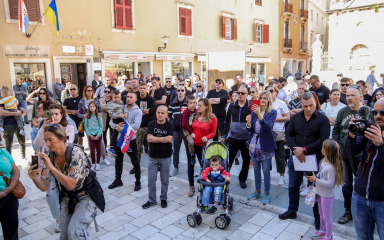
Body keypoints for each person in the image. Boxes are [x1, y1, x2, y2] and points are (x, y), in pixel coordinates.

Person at [28, 124, 98, 239]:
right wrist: (35, 177)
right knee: (64, 236)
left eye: (51, 140)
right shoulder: (49, 156)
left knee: (74, 232)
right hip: (68, 196)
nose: (47, 144)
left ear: (62, 138)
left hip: (86, 195)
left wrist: (51, 167)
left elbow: (71, 184)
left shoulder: (75, 153)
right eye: (45, 140)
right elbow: (45, 186)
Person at [279, 92, 330, 231]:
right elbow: (288, 134)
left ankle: (318, 218)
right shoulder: (295, 118)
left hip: (314, 159)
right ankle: (292, 210)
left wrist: (305, 150)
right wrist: (296, 150)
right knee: (293, 186)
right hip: (296, 157)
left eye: (311, 105)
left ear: (316, 102)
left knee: (314, 189)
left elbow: (323, 140)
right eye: (304, 106)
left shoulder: (323, 119)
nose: (308, 108)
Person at [347, 98, 384, 239]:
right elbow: (349, 154)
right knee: (362, 237)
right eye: (375, 112)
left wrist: (381, 145)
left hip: (382, 200)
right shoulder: (371, 129)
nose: (378, 116)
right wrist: (351, 136)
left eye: (383, 113)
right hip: (360, 195)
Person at [332, 86, 364, 225]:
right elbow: (337, 129)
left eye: (353, 95)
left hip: (361, 156)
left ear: (360, 97)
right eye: (348, 95)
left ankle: (362, 212)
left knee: (361, 186)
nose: (349, 97)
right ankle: (348, 211)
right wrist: (338, 145)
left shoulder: (366, 112)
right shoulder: (343, 111)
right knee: (346, 185)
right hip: (344, 155)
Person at [307, 140, 345, 240]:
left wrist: (316, 179)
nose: (321, 149)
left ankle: (329, 235)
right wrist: (315, 177)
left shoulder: (331, 167)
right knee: (321, 214)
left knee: (327, 216)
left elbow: (330, 184)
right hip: (319, 192)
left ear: (327, 151)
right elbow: (321, 175)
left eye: (323, 147)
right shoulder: (324, 161)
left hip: (327, 195)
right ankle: (322, 230)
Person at [247, 90, 277, 205]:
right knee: (255, 169)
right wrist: (248, 124)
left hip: (265, 145)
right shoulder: (254, 112)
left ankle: (267, 194)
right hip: (254, 144)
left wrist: (259, 114)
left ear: (268, 100)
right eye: (261, 98)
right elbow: (251, 130)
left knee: (266, 171)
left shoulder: (272, 112)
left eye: (265, 98)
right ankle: (257, 191)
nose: (263, 100)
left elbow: (267, 127)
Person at [108, 92, 142, 191]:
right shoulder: (121, 107)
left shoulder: (137, 111)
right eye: (127, 97)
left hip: (130, 140)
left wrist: (122, 129)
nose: (128, 99)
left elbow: (136, 125)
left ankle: (138, 182)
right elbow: (111, 121)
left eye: (131, 97)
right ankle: (118, 180)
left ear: (135, 99)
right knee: (118, 161)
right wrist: (116, 127)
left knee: (135, 161)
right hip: (119, 140)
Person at [142, 105, 174, 209]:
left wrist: (155, 138)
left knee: (165, 180)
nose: (160, 115)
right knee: (151, 180)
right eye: (158, 113)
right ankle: (152, 200)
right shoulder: (151, 124)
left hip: (165, 157)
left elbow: (170, 139)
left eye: (162, 113)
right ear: (155, 113)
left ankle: (163, 198)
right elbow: (149, 139)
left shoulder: (169, 125)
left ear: (166, 114)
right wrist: (163, 139)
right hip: (153, 157)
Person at [222, 85, 252, 188]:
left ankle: (242, 179)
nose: (240, 95)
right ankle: (225, 177)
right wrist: (224, 135)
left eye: (242, 93)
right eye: (238, 93)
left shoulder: (250, 106)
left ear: (247, 95)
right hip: (233, 137)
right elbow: (227, 121)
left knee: (246, 160)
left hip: (246, 139)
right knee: (228, 159)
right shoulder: (231, 106)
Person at [190, 98, 218, 196]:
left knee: (204, 166)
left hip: (202, 145)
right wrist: (192, 133)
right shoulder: (195, 115)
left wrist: (207, 137)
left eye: (200, 105)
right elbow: (190, 127)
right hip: (191, 144)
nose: (198, 107)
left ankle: (206, 186)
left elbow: (214, 132)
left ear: (206, 107)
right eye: (198, 105)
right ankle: (191, 187)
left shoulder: (212, 117)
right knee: (190, 166)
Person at [268, 86, 290, 186]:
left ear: (276, 92)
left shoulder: (281, 103)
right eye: (268, 91)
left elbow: (287, 117)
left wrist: (274, 119)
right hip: (266, 132)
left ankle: (281, 176)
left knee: (280, 155)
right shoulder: (265, 103)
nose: (270, 93)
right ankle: (267, 173)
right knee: (267, 155)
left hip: (278, 132)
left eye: (272, 91)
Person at [168, 85, 192, 178]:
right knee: (175, 151)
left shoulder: (189, 103)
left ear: (185, 92)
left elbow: (194, 115)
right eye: (179, 90)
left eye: (182, 90)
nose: (180, 92)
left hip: (187, 132)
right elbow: (169, 116)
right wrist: (173, 123)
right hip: (176, 131)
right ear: (176, 92)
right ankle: (176, 168)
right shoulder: (172, 104)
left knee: (189, 151)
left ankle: (191, 169)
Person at [0, 87, 27, 160]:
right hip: (7, 125)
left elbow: (24, 112)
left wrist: (20, 112)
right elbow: (1, 112)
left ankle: (23, 157)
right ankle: (9, 159)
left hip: (19, 125)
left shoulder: (16, 100)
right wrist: (14, 113)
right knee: (8, 144)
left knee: (22, 142)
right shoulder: (2, 101)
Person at [0, 148, 21, 240]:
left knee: (11, 230)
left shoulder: (4, 152)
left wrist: (10, 187)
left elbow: (15, 171)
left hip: (9, 196)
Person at [135, 82, 157, 165]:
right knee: (138, 148)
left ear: (147, 89)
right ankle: (136, 166)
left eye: (144, 88)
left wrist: (147, 111)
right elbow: (134, 110)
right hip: (139, 127)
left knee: (152, 147)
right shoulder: (136, 98)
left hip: (149, 127)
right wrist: (145, 111)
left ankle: (154, 164)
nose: (142, 90)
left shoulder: (151, 99)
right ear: (139, 89)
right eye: (141, 88)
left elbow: (154, 109)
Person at [84, 101, 103, 171]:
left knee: (98, 149)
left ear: (96, 107)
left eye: (93, 106)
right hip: (91, 135)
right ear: (89, 107)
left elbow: (101, 126)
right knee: (92, 150)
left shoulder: (98, 116)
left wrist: (98, 135)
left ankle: (98, 163)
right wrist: (89, 135)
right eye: (91, 106)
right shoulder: (87, 116)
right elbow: (86, 127)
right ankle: (93, 163)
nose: (92, 108)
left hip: (98, 134)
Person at [106, 90, 126, 156]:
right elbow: (111, 114)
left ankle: (122, 145)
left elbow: (124, 108)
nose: (117, 99)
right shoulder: (111, 104)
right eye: (115, 97)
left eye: (118, 97)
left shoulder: (121, 102)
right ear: (112, 97)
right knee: (116, 132)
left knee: (122, 131)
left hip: (121, 118)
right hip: (116, 119)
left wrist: (125, 113)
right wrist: (118, 115)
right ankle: (111, 146)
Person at [182, 95, 198, 164]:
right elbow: (185, 124)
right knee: (191, 142)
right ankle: (192, 155)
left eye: (194, 103)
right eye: (190, 103)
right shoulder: (186, 112)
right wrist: (191, 133)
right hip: (187, 129)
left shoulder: (196, 111)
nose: (192, 104)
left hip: (194, 129)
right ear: (187, 104)